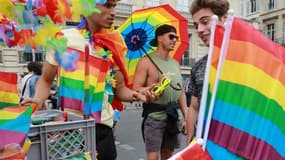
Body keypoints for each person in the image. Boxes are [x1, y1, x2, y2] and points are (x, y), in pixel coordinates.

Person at [21, 0, 151, 159]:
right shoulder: (63, 38)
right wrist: (37, 100)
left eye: (114, 6)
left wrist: (138, 95)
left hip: (102, 132)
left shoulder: (114, 43)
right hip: (70, 130)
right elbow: (46, 80)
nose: (113, 12)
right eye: (108, 5)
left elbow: (121, 90)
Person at [132, 24, 188, 160]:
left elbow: (180, 91)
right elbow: (136, 89)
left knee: (168, 155)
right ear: (160, 38)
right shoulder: (146, 62)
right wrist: (152, 88)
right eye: (171, 36)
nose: (174, 40)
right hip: (155, 117)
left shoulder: (175, 63)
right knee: (153, 156)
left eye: (176, 37)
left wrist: (186, 117)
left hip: (173, 116)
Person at [185, 0, 229, 143]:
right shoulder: (198, 67)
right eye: (196, 25)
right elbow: (194, 107)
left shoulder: (246, 60)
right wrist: (190, 144)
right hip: (206, 144)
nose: (199, 30)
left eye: (205, 22)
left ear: (224, 18)